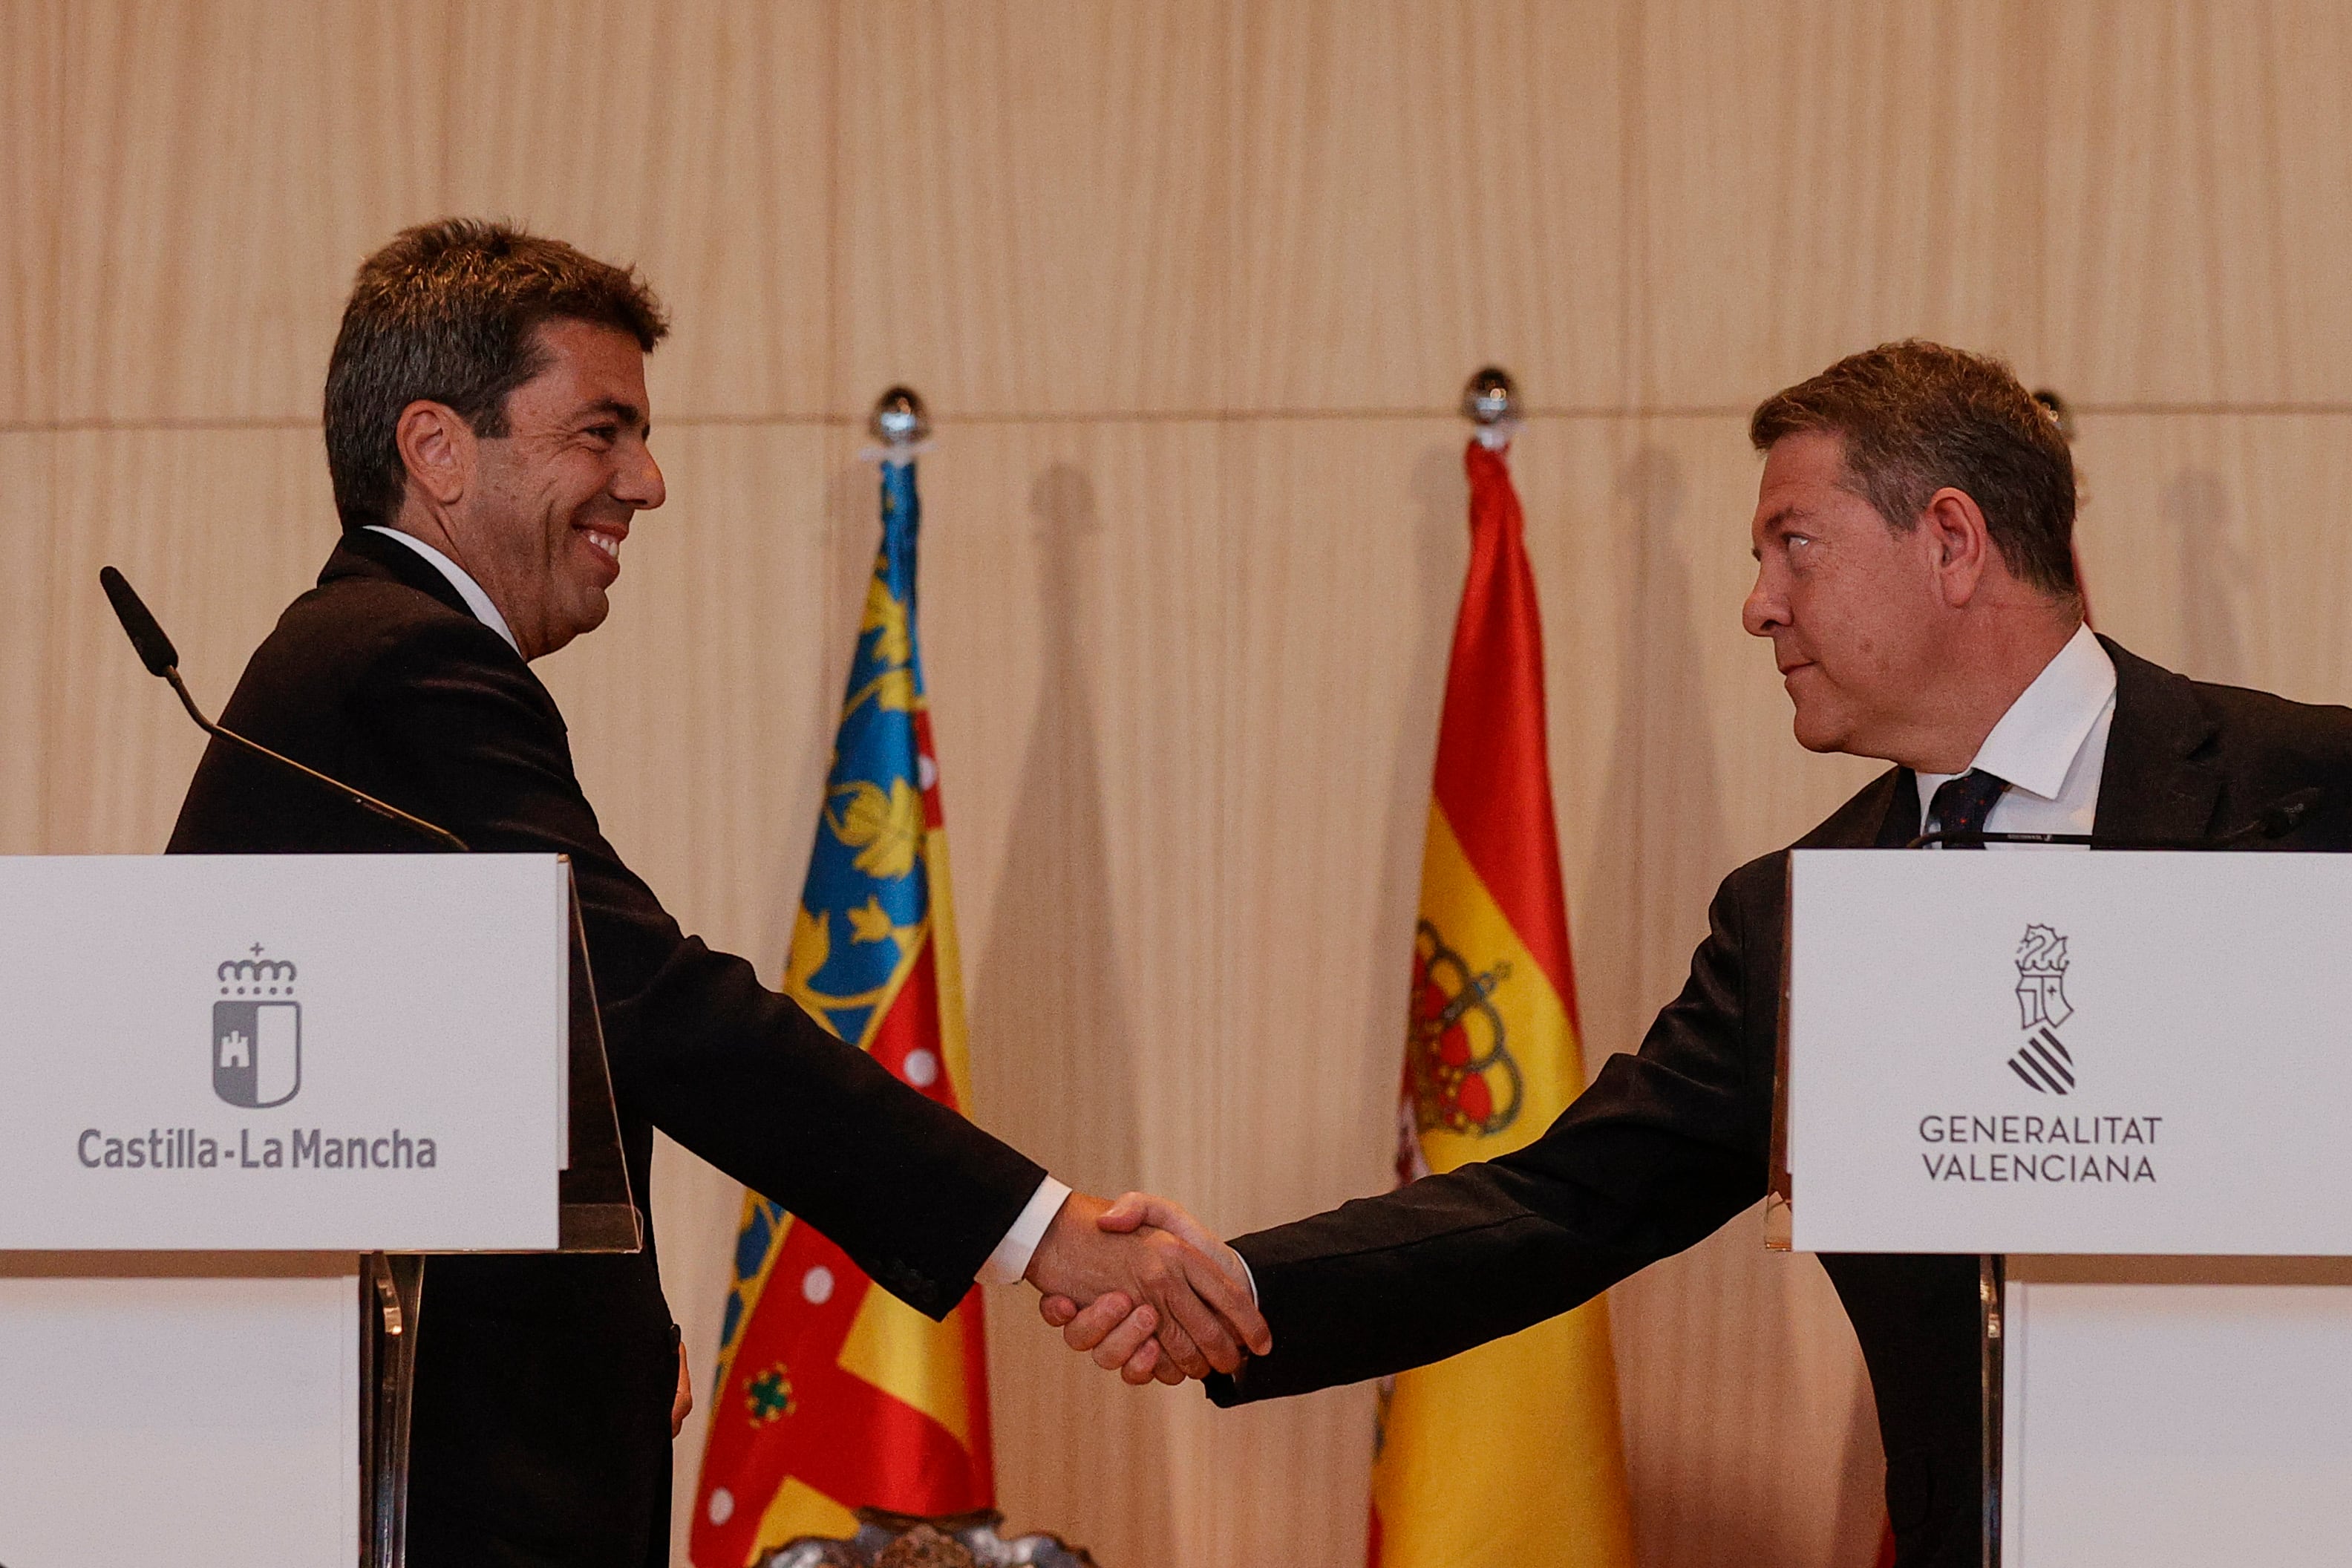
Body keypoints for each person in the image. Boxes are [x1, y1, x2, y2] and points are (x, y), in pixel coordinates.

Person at [1046, 340, 2352, 1568]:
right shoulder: (1803, 917)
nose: (1757, 607)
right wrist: (1239, 1289)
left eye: (1796, 548)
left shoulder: (2314, 794)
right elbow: (1568, 1204)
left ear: (1951, 542)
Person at [166, 218, 1264, 1568]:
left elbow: (502, 1045)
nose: (649, 480)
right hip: (431, 1487)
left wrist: (617, 1311)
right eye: (600, 431)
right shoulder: (399, 659)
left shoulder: (367, 656)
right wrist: (1041, 1232)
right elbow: (645, 998)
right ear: (438, 448)